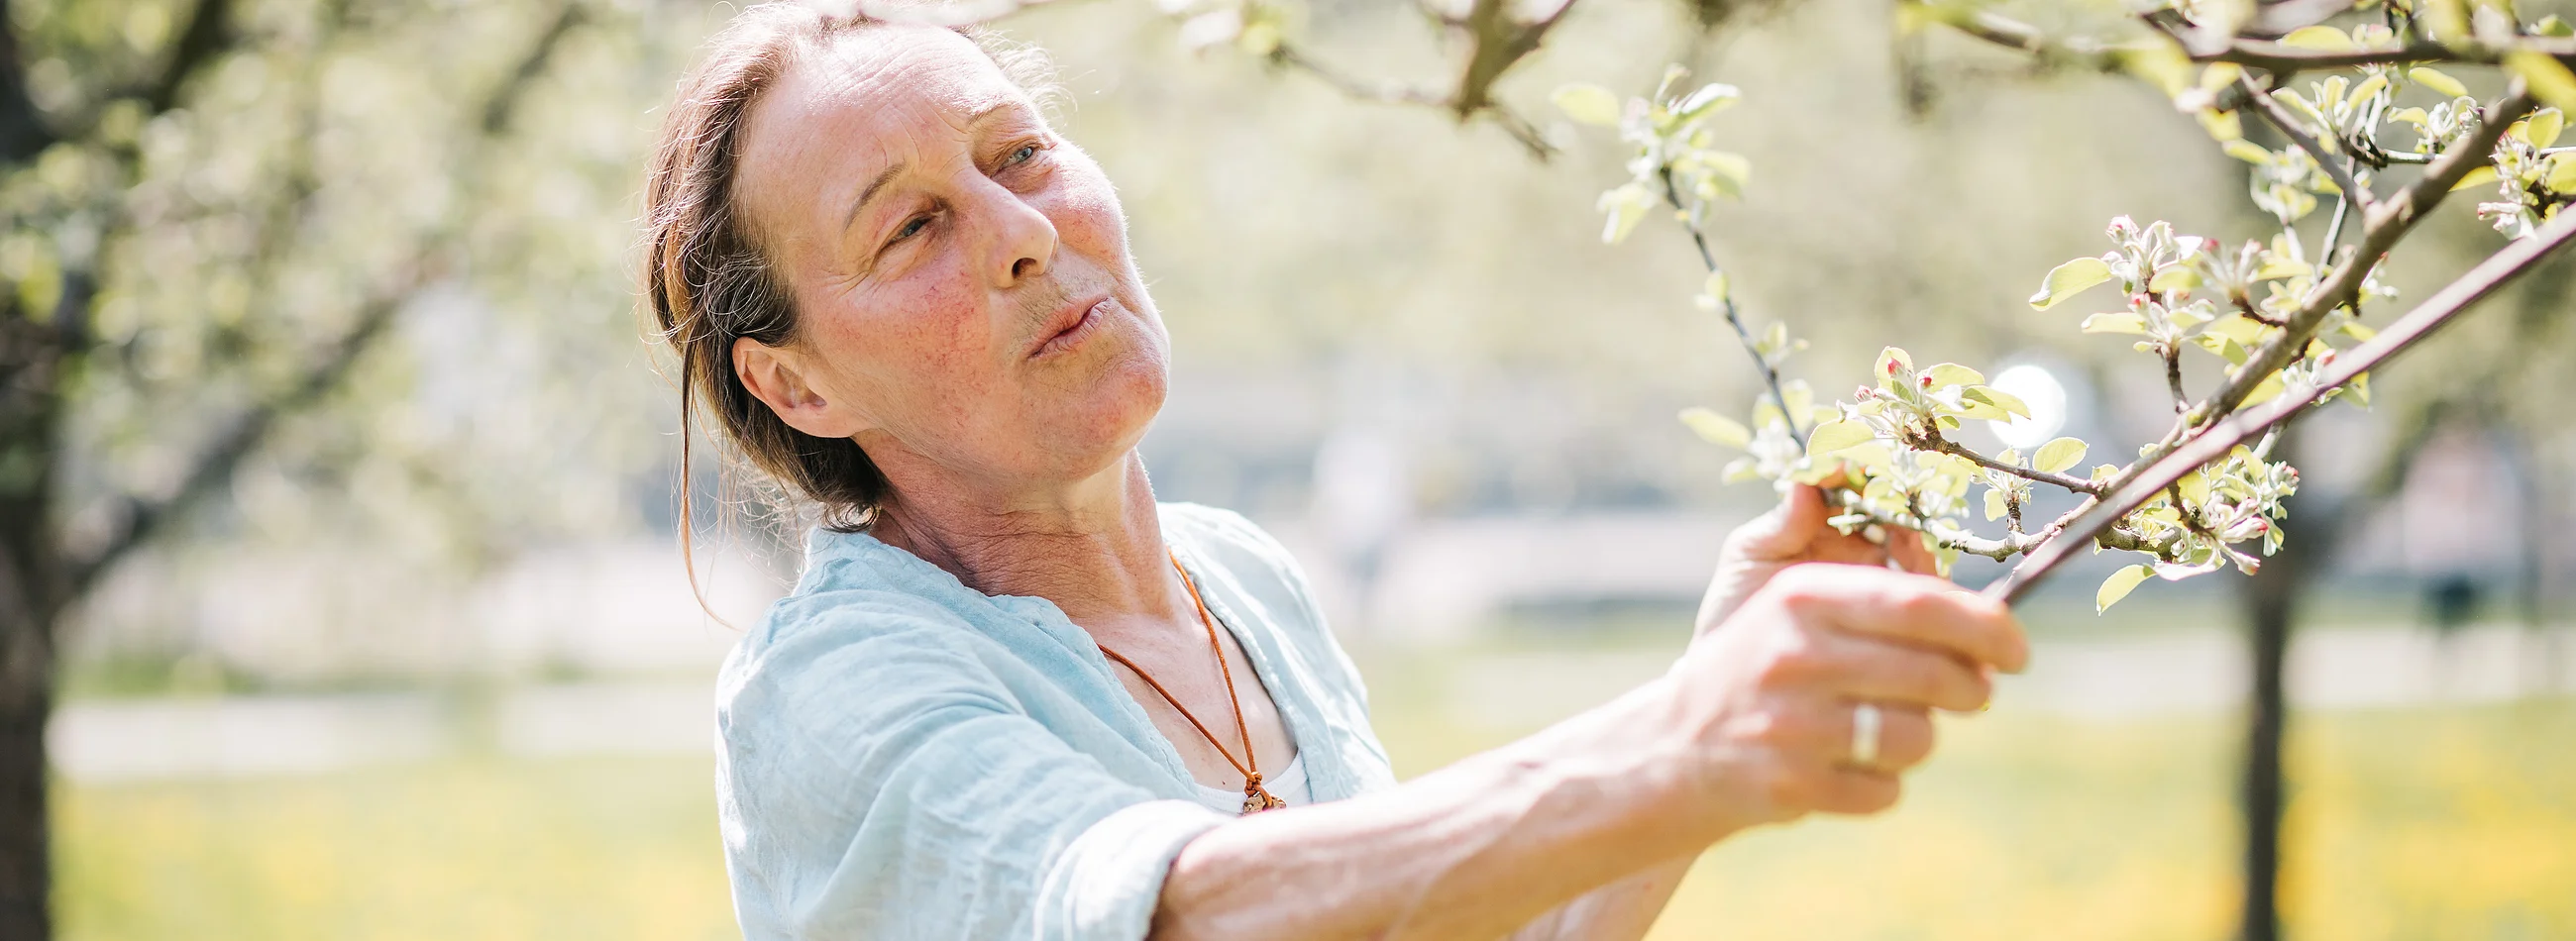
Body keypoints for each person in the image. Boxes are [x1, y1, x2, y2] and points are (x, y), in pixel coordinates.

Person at [641, 6, 2028, 939]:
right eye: (909, 228)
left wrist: (1711, 679)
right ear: (798, 382)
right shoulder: (825, 690)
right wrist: (1676, 747)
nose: (1022, 232)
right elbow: (1170, 913)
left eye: (1022, 153)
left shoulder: (1240, 578)